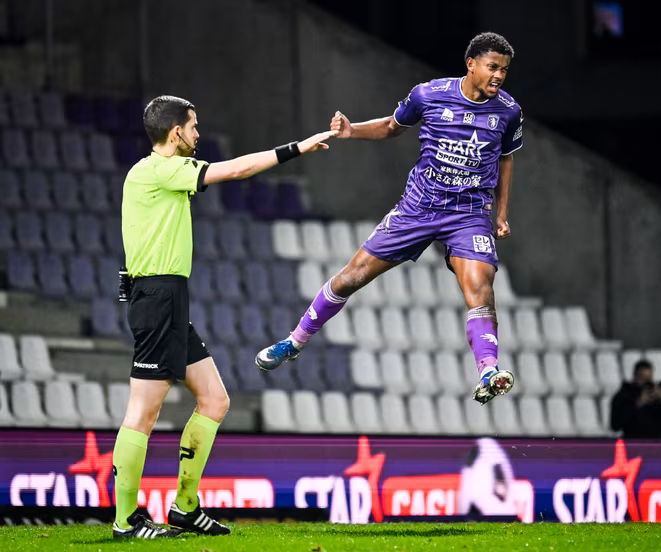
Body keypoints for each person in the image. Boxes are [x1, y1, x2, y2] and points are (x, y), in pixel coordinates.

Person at [256, 32, 524, 405]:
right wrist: (351, 132)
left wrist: (502, 214)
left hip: (468, 214)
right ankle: (295, 340)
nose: (499, 76)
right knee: (351, 278)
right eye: (493, 67)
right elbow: (390, 127)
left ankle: (488, 370)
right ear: (471, 64)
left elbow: (506, 158)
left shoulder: (508, 111)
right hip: (418, 207)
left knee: (481, 285)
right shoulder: (428, 95)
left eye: (505, 70)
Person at [114, 95, 332, 539]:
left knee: (215, 400)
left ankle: (185, 508)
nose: (198, 133)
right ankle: (125, 522)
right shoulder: (160, 169)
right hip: (156, 297)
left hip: (169, 296)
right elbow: (234, 170)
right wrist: (297, 148)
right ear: (175, 132)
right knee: (143, 413)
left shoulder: (155, 173)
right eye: (193, 126)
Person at [610, 359, 661, 437]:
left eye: (649, 379)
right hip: (633, 442)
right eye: (643, 378)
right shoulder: (622, 396)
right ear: (635, 376)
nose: (646, 383)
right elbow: (615, 425)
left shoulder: (655, 396)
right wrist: (637, 405)